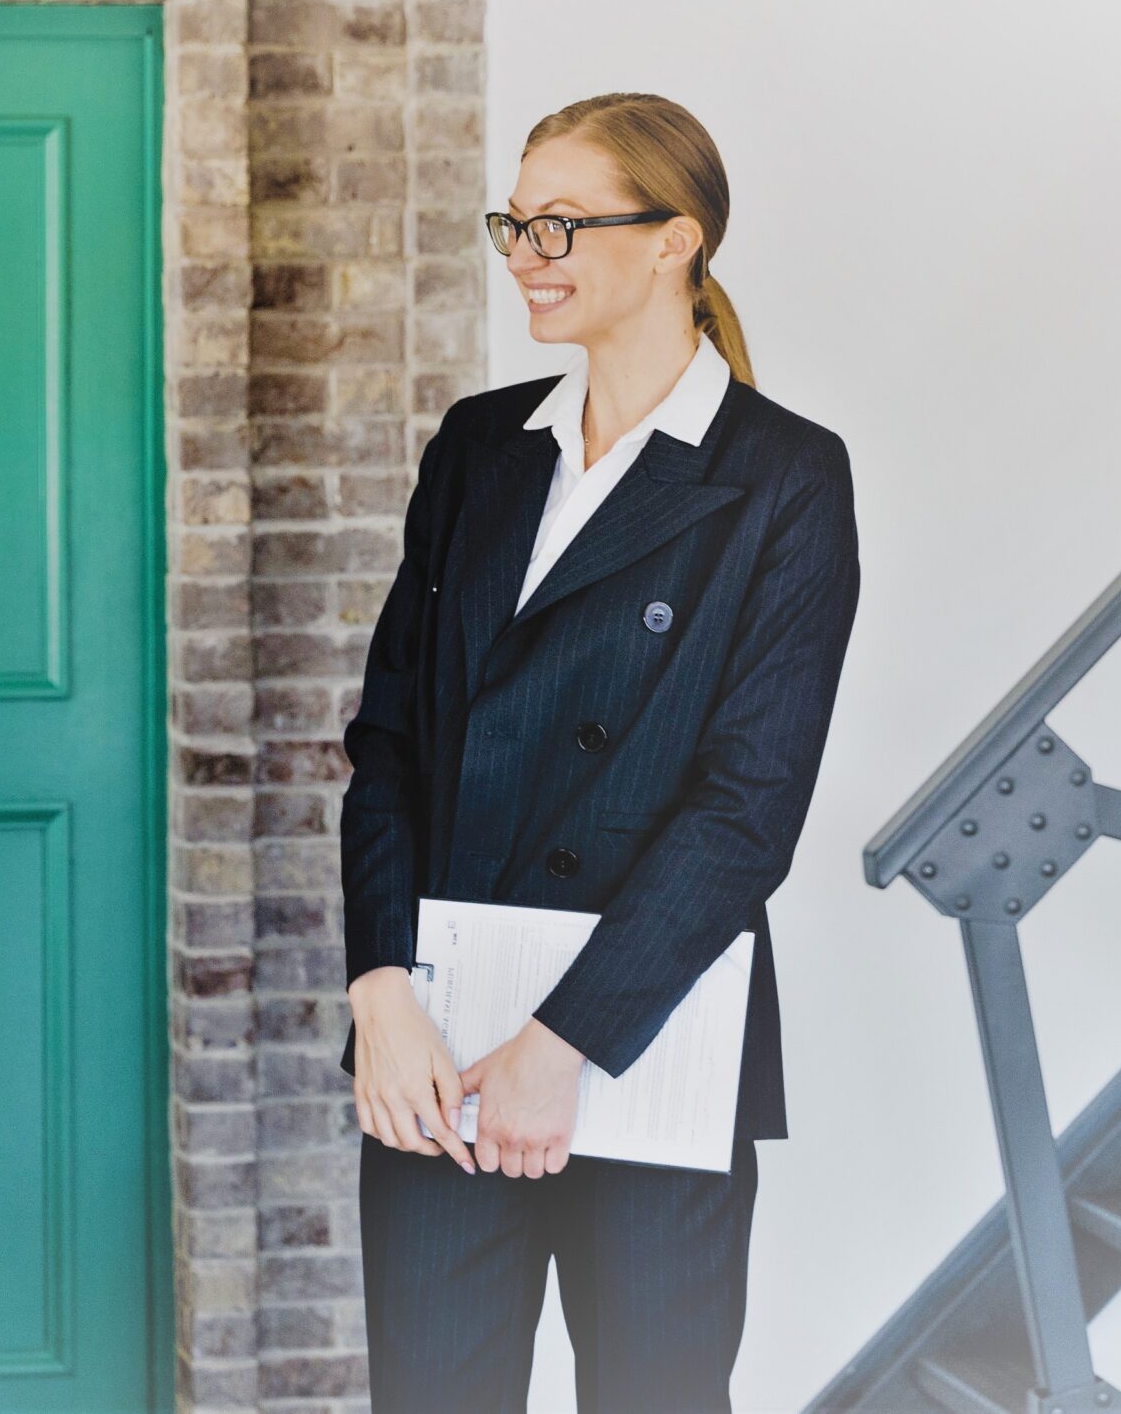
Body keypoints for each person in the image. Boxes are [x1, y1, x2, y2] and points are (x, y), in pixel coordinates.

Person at [339, 93, 860, 1412]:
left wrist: (561, 1041)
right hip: (440, 1049)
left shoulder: (785, 478)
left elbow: (746, 809)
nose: (526, 249)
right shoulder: (480, 449)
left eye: (562, 222)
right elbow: (388, 742)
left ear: (677, 240)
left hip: (647, 1048)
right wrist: (377, 991)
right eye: (516, 221)